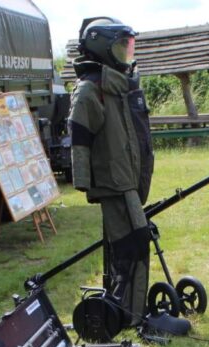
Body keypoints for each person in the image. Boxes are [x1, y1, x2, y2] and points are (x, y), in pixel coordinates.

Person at [68, 17, 154, 326]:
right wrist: (83, 181)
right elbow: (79, 136)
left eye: (128, 47)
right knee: (131, 245)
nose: (126, 54)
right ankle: (127, 314)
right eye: (121, 47)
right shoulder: (91, 90)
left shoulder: (119, 87)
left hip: (127, 179)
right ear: (102, 48)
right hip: (113, 183)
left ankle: (131, 308)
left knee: (136, 241)